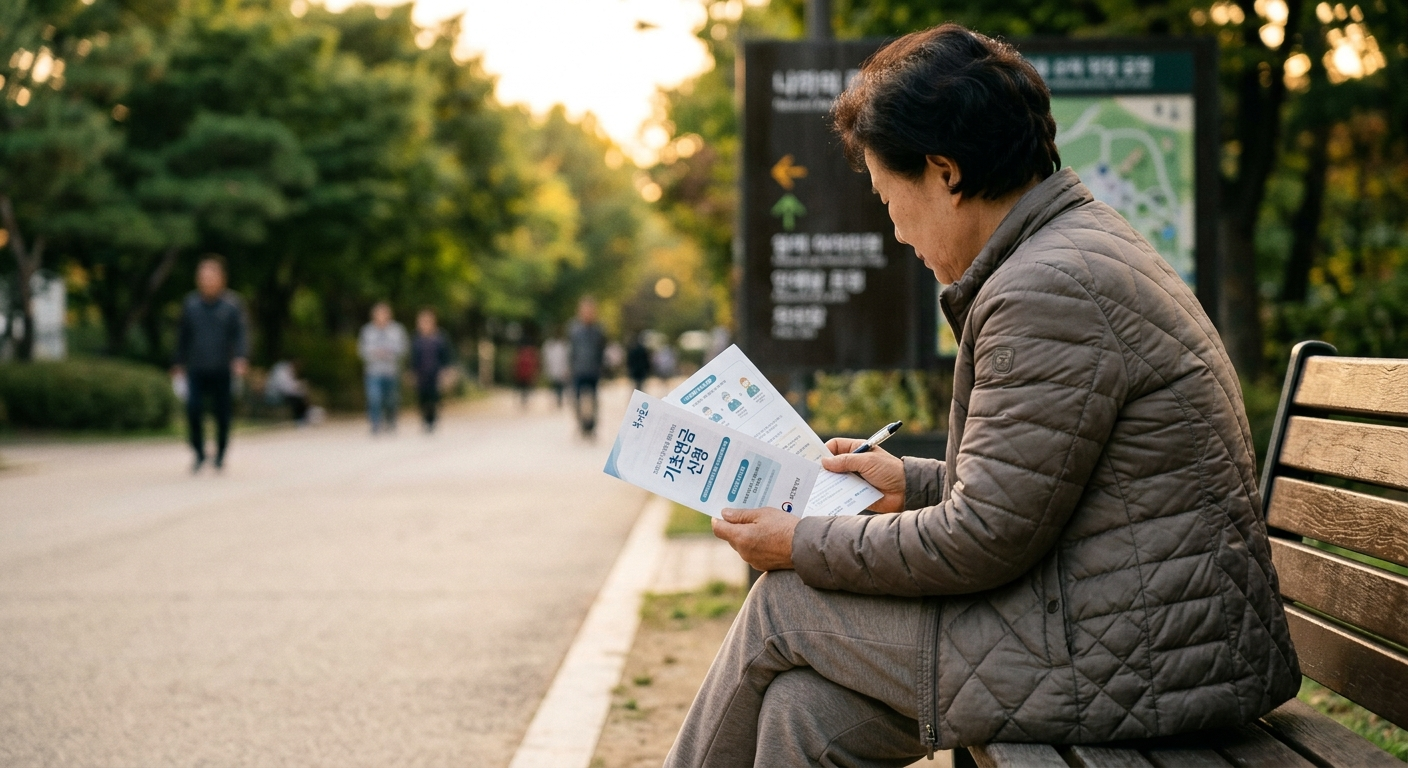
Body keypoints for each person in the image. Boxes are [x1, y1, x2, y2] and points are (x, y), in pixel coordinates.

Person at [667, 25, 1299, 767]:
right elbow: (1043, 484)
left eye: (888, 196)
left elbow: (982, 539)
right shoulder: (1074, 247)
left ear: (943, 171)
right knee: (805, 714)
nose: (896, 230)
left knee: (785, 604)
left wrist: (797, 542)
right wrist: (908, 481)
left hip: (1136, 657)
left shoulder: (1048, 287)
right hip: (1134, 630)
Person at [173, 256, 248, 473]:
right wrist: (177, 361)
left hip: (223, 367)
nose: (207, 280)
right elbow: (182, 336)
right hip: (196, 366)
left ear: (221, 278)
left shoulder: (232, 305)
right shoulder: (191, 305)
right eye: (203, 276)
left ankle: (221, 452)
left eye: (211, 276)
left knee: (222, 413)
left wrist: (241, 358)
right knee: (193, 409)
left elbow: (241, 335)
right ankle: (198, 452)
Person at [357, 302, 407, 434]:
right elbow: (362, 350)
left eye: (384, 314)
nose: (381, 317)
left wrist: (389, 353)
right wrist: (375, 353)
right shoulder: (367, 331)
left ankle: (391, 421)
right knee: (374, 398)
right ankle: (375, 424)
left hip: (391, 371)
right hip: (373, 371)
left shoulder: (397, 330)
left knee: (391, 400)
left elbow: (403, 348)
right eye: (379, 314)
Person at [568, 297, 606, 436]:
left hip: (593, 369)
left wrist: (602, 367)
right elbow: (571, 350)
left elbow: (602, 349)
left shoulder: (599, 329)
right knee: (577, 398)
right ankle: (581, 423)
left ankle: (592, 424)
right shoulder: (574, 329)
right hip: (578, 369)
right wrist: (569, 366)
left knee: (594, 398)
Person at [411, 309, 452, 432]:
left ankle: (432, 420)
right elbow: (413, 358)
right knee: (422, 398)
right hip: (421, 373)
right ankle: (425, 419)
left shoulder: (440, 338)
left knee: (434, 398)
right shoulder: (416, 339)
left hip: (435, 373)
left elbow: (446, 356)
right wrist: (411, 372)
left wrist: (447, 371)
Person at [542, 333, 570, 408]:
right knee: (555, 386)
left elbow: (565, 360)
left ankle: (559, 400)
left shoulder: (562, 347)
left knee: (560, 386)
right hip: (554, 370)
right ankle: (556, 400)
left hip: (560, 370)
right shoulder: (550, 346)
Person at [513, 339, 540, 409]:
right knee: (526, 387)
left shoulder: (520, 352)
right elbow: (535, 363)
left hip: (522, 373)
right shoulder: (531, 352)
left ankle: (524, 399)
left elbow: (517, 363)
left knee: (523, 387)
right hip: (528, 373)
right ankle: (525, 399)